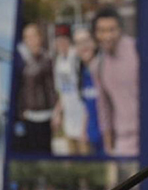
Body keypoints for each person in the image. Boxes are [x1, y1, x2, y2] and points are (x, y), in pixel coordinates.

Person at [91, 6, 139, 157]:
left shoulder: (137, 50)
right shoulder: (98, 65)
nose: (107, 36)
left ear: (120, 29)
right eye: (102, 30)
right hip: (124, 140)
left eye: (112, 29)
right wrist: (108, 144)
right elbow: (104, 106)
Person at [14, 22, 57, 154]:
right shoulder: (22, 60)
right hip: (28, 117)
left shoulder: (47, 59)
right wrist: (21, 112)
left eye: (33, 36)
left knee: (44, 150)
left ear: (40, 37)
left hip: (45, 116)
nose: (30, 40)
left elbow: (51, 87)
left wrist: (55, 111)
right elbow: (20, 89)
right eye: (27, 37)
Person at [53, 24, 91, 156]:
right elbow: (62, 91)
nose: (61, 44)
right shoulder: (58, 60)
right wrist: (57, 113)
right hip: (69, 119)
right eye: (58, 41)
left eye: (64, 40)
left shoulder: (76, 58)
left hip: (82, 118)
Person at [74, 26, 105, 154]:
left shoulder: (104, 68)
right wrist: (83, 131)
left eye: (86, 40)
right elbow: (88, 106)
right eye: (78, 43)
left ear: (94, 42)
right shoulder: (83, 73)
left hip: (108, 139)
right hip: (93, 138)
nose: (83, 46)